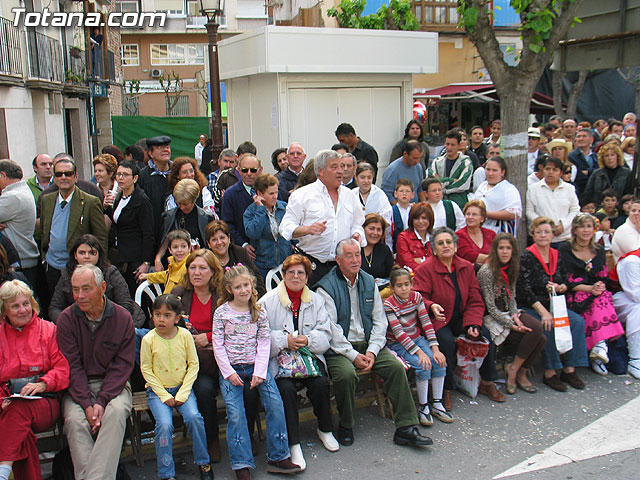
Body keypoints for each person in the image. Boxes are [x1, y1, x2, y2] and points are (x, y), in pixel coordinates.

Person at [316, 239, 432, 447]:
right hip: (340, 349)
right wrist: (353, 355)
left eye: (357, 255)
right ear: (338, 260)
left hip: (369, 344)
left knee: (396, 368)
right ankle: (346, 425)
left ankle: (406, 427)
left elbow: (380, 321)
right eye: (349, 256)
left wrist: (372, 351)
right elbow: (330, 330)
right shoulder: (326, 287)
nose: (355, 260)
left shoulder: (369, 281)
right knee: (345, 375)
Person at [213, 265, 303, 479]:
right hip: (232, 370)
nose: (243, 290)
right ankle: (241, 464)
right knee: (236, 414)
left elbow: (264, 342)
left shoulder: (258, 311)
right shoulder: (222, 313)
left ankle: (278, 456)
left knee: (275, 404)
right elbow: (218, 344)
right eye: (238, 287)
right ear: (229, 289)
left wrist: (260, 372)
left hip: (256, 367)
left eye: (246, 285)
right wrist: (228, 372)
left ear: (251, 285)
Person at [412, 227, 505, 410]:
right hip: (437, 319)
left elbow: (475, 299)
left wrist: (472, 323)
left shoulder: (466, 267)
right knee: (446, 342)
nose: (445, 246)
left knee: (483, 334)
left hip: (462, 316)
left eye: (449, 242)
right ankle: (446, 389)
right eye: (440, 243)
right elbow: (419, 296)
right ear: (434, 249)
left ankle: (487, 382)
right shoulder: (425, 269)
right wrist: (431, 305)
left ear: (455, 246)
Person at [57, 264, 135, 480]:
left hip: (114, 385)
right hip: (77, 387)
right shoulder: (66, 319)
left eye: (86, 288)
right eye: (75, 289)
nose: (79, 296)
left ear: (102, 287)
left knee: (116, 412)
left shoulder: (122, 318)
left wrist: (101, 401)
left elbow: (122, 367)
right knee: (75, 421)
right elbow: (72, 366)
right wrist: (86, 404)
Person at [260, 255, 337, 470]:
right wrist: (284, 341)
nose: (296, 276)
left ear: (307, 276)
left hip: (308, 356)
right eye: (291, 272)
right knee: (285, 389)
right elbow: (261, 337)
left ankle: (325, 429)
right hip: (280, 361)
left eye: (300, 273)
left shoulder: (316, 300)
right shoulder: (267, 302)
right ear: (284, 275)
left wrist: (308, 340)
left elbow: (326, 334)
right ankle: (293, 442)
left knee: (320, 383)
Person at [0, 280, 69, 480]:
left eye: (26, 303)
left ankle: (2, 472)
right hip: (8, 401)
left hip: (44, 400)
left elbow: (63, 368)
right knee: (23, 433)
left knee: (17, 410)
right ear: (4, 310)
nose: (23, 310)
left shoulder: (49, 330)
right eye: (15, 306)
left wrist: (43, 384)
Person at [140, 294, 213, 480]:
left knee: (194, 418)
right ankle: (166, 471)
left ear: (177, 318)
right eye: (157, 314)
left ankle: (204, 463)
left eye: (167, 315)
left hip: (182, 388)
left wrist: (184, 391)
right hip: (158, 392)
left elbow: (193, 365)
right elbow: (146, 369)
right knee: (164, 425)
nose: (161, 320)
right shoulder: (148, 339)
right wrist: (163, 395)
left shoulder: (185, 336)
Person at [516, 217, 588, 392]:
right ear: (533, 234)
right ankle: (550, 371)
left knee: (577, 322)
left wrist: (560, 286)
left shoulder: (557, 254)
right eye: (539, 232)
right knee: (548, 324)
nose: (543, 235)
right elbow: (524, 289)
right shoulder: (527, 257)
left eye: (547, 232)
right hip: (532, 305)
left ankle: (570, 369)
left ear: (552, 234)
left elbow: (565, 280)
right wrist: (543, 312)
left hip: (554, 303)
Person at [170, 249, 227, 463]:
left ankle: (245, 436)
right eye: (192, 267)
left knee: (246, 389)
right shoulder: (180, 293)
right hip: (195, 362)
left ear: (213, 271)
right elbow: (161, 324)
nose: (196, 272)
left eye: (202, 268)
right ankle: (212, 440)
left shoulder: (222, 294)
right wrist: (179, 329)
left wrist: (209, 337)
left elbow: (235, 324)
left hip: (223, 358)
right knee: (204, 390)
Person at [279, 149, 365, 286]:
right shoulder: (302, 195)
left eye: (341, 166)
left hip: (342, 266)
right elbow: (285, 228)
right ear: (321, 170)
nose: (340, 171)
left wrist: (357, 234)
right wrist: (307, 229)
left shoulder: (350, 196)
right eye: (334, 167)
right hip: (311, 266)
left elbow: (358, 224)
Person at [477, 234, 546, 394]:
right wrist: (512, 325)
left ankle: (517, 370)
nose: (505, 252)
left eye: (508, 248)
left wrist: (515, 316)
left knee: (539, 334)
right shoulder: (486, 272)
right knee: (536, 334)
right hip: (492, 316)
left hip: (508, 311)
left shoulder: (512, 267)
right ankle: (515, 372)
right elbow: (490, 307)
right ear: (495, 250)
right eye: (501, 248)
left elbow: (512, 297)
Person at [559, 214, 625, 375]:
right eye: (582, 226)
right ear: (575, 230)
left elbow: (603, 276)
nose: (586, 230)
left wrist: (599, 285)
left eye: (589, 226)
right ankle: (599, 346)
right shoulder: (565, 249)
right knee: (597, 301)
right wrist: (588, 289)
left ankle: (599, 348)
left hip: (595, 291)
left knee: (603, 296)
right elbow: (564, 280)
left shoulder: (598, 250)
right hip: (573, 292)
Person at [384, 266, 451, 425]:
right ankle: (423, 406)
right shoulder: (389, 304)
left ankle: (437, 402)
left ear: (412, 284)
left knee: (438, 361)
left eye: (407, 284)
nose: (404, 289)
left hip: (417, 338)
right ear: (392, 288)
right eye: (399, 285)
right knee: (423, 364)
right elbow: (399, 333)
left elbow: (426, 323)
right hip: (398, 344)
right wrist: (420, 353)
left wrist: (435, 348)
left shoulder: (417, 297)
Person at [40, 156, 108, 292]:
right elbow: (44, 230)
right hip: (52, 267)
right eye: (59, 174)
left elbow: (101, 238)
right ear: (54, 178)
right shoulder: (46, 200)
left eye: (68, 174)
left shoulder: (90, 202)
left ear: (75, 176)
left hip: (78, 269)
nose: (63, 177)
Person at [49, 234, 145, 326]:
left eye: (92, 253)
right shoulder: (66, 274)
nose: (87, 256)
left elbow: (125, 304)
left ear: (99, 255)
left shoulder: (111, 272)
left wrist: (104, 325)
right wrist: (68, 323)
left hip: (113, 322)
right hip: (76, 325)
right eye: (82, 253)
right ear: (75, 255)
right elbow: (55, 308)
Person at [104, 160, 154, 296]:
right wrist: (106, 208)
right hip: (119, 255)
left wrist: (146, 262)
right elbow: (117, 221)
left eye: (125, 175)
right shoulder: (119, 197)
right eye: (119, 174)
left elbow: (148, 233)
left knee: (133, 295)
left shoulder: (142, 200)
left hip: (135, 258)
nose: (121, 178)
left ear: (135, 178)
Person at [155, 179, 214, 269]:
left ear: (194, 200)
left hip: (198, 264)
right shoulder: (167, 217)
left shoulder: (207, 218)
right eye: (179, 203)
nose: (182, 207)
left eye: (185, 204)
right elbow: (164, 241)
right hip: (172, 266)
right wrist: (158, 259)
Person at [243, 174, 293, 278]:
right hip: (263, 265)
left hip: (286, 262)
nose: (275, 196)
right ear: (259, 194)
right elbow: (253, 233)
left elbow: (292, 229)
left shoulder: (284, 207)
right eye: (271, 193)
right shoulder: (250, 212)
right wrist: (261, 210)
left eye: (276, 192)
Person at [0, 160, 40, 287]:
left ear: (3, 175)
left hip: (20, 261)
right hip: (25, 257)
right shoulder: (23, 189)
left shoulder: (13, 196)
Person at [526, 156, 580, 246]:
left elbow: (575, 210)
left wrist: (563, 226)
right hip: (541, 238)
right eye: (548, 169)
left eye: (555, 170)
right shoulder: (533, 189)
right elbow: (529, 211)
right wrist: (545, 226)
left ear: (561, 173)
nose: (550, 172)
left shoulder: (569, 188)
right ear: (543, 170)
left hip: (564, 238)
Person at [205, 221, 266, 297]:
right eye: (214, 239)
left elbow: (257, 280)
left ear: (229, 238)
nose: (219, 242)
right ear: (208, 243)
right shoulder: (206, 260)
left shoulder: (240, 253)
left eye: (222, 238)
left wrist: (255, 300)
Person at [221, 154, 263, 258]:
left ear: (260, 170)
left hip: (268, 250)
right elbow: (227, 225)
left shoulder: (270, 191)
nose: (249, 174)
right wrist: (243, 244)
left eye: (253, 170)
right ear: (239, 170)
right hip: (242, 252)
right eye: (245, 170)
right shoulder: (230, 194)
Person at [472, 156, 522, 235]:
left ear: (502, 172)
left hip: (499, 231)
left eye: (494, 170)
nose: (490, 173)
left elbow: (515, 213)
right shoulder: (482, 186)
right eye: (488, 169)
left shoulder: (509, 189)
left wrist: (486, 214)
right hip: (480, 231)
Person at [612, 247, 640, 379]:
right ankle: (636, 359)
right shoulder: (632, 261)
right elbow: (635, 294)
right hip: (617, 297)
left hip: (631, 298)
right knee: (638, 309)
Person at [428, 129, 473, 209]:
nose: (449, 147)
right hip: (439, 204)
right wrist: (451, 180)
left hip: (458, 204)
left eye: (453, 145)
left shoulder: (466, 162)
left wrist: (441, 184)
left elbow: (463, 184)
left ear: (459, 145)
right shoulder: (437, 161)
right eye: (447, 144)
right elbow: (431, 181)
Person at [351, 162, 393, 248]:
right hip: (355, 237)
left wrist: (371, 228)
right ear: (356, 177)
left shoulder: (380, 195)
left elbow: (386, 219)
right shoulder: (351, 194)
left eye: (369, 177)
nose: (366, 181)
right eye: (362, 177)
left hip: (375, 237)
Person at [138, 136, 172, 239]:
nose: (165, 150)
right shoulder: (143, 176)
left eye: (167, 147)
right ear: (150, 153)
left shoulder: (177, 172)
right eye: (160, 148)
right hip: (152, 232)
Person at [582, 143, 633, 209]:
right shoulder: (597, 173)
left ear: (617, 156)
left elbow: (629, 194)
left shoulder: (627, 173)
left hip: (619, 209)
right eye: (606, 156)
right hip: (599, 208)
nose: (610, 158)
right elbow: (588, 193)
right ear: (602, 158)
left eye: (612, 155)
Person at [141, 229, 191, 294]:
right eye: (175, 247)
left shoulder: (190, 266)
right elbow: (165, 275)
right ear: (170, 250)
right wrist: (147, 276)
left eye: (183, 246)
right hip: (167, 298)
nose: (179, 250)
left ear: (189, 248)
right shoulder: (173, 264)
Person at [381, 140, 426, 204]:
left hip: (414, 206)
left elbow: (420, 189)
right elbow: (387, 194)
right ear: (405, 154)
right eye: (414, 158)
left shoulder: (418, 166)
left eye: (419, 158)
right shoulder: (393, 170)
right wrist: (402, 207)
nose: (417, 161)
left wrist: (424, 204)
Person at [456, 200, 496, 268]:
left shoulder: (491, 234)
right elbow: (469, 256)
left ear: (482, 219)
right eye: (468, 214)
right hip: (468, 271)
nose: (470, 217)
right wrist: (494, 259)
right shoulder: (459, 235)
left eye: (474, 214)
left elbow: (498, 252)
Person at [395, 202, 434, 272]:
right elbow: (408, 263)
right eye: (416, 218)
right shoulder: (403, 237)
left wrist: (421, 261)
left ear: (430, 219)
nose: (420, 221)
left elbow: (439, 261)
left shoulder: (436, 237)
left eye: (424, 218)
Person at [360, 213, 394, 281]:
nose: (375, 233)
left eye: (378, 230)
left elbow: (390, 276)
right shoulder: (354, 249)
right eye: (371, 229)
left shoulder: (385, 250)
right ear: (363, 229)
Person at [569, 128, 598, 196]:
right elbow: (578, 177)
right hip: (579, 193)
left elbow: (600, 174)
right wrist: (594, 172)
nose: (581, 139)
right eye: (578, 136)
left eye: (584, 136)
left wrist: (588, 172)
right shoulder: (571, 157)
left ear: (591, 140)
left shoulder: (596, 157)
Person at [390, 179, 415, 249]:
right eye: (401, 191)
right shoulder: (391, 211)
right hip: (397, 245)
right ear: (395, 194)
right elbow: (389, 233)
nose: (404, 194)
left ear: (412, 195)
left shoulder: (415, 210)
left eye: (408, 191)